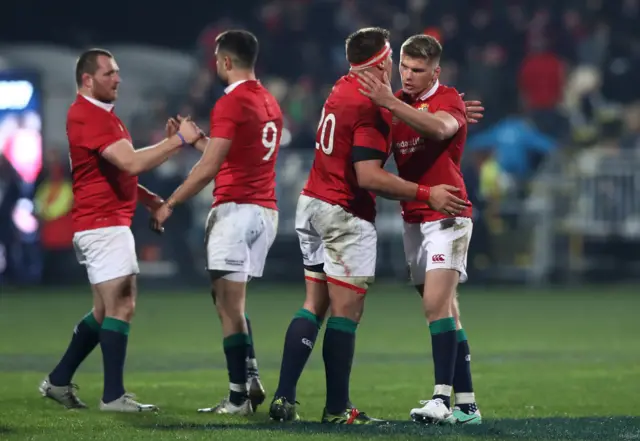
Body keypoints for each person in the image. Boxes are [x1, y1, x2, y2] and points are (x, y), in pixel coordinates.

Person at [268, 27, 469, 425]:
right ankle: (338, 409)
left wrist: (447, 114)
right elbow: (369, 177)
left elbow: (436, 124)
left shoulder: (340, 89)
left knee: (313, 304)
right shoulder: (373, 105)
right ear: (381, 62)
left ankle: (284, 396)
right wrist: (426, 192)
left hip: (310, 203)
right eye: (396, 60)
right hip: (344, 211)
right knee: (346, 312)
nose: (401, 70)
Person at [39, 48, 201, 412]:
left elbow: (116, 171)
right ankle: (113, 396)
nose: (118, 79)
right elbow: (130, 162)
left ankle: (58, 380)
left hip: (101, 222)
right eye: (109, 73)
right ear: (87, 79)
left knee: (103, 311)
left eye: (117, 72)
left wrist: (149, 198)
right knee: (122, 305)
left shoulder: (99, 116)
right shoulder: (90, 115)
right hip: (103, 225)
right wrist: (179, 141)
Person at [152, 30, 280, 416]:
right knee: (229, 302)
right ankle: (251, 376)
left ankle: (239, 397)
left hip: (237, 212)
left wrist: (170, 201)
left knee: (228, 306)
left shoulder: (231, 101)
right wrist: (196, 140)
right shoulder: (267, 99)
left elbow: (211, 168)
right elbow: (231, 153)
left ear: (224, 61)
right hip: (264, 212)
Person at [357, 34, 482, 425]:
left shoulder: (444, 99)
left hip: (449, 213)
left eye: (419, 70)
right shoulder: (398, 105)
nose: (408, 76)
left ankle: (440, 400)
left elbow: (442, 129)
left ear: (436, 71)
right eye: (405, 68)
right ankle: (467, 406)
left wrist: (392, 102)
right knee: (446, 311)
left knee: (434, 306)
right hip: (414, 217)